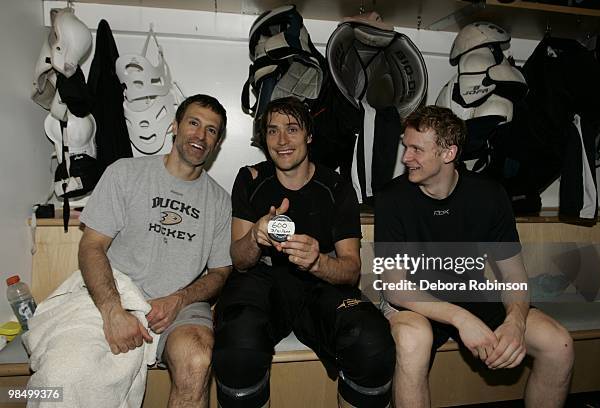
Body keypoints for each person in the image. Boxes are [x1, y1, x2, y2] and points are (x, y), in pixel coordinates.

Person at [30, 94, 232, 408]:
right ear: (174, 126)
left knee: (197, 360)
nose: (200, 135)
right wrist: (112, 310)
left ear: (216, 143)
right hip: (117, 289)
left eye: (211, 130)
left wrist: (180, 298)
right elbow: (92, 247)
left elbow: (220, 272)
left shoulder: (219, 201)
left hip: (180, 302)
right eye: (193, 123)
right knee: (62, 373)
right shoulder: (125, 173)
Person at [374, 105, 574, 408]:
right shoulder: (392, 199)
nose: (405, 158)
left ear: (448, 152)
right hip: (413, 301)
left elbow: (513, 275)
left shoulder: (490, 195)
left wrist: (515, 322)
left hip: (471, 294)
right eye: (406, 146)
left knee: (558, 345)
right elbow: (395, 288)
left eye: (416, 149)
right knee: (413, 340)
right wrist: (461, 318)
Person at [212, 96, 395, 408]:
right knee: (238, 346)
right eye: (272, 131)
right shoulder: (251, 179)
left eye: (292, 129)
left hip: (320, 288)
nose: (282, 140)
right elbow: (240, 262)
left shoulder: (336, 187)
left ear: (309, 135)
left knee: (372, 344)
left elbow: (350, 268)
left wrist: (318, 261)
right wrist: (256, 236)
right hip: (263, 282)